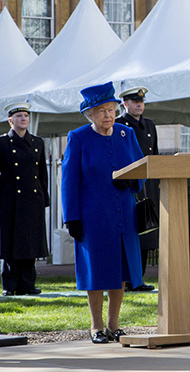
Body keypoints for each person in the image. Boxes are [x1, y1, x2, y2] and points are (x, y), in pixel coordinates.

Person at [61, 82, 144, 344]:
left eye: (111, 109)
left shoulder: (125, 134)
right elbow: (68, 180)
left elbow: (142, 168)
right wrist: (71, 217)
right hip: (93, 216)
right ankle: (96, 326)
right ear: (89, 114)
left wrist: (132, 182)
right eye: (101, 111)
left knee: (120, 271)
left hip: (124, 214)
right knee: (96, 271)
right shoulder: (78, 137)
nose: (108, 115)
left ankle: (113, 324)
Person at [0, 102, 49, 296]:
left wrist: (44, 197)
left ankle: (28, 283)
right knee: (11, 242)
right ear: (10, 120)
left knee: (29, 241)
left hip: (31, 198)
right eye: (19, 116)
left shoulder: (37, 142)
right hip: (10, 199)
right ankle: (10, 284)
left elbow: (42, 172)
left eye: (26, 116)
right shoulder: (2, 143)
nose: (23, 119)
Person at [116, 86, 158, 293]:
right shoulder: (118, 125)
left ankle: (139, 279)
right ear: (125, 104)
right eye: (134, 102)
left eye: (141, 102)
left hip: (147, 185)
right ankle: (130, 279)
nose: (139, 105)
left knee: (147, 232)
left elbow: (155, 157)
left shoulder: (149, 125)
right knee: (131, 233)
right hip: (130, 186)